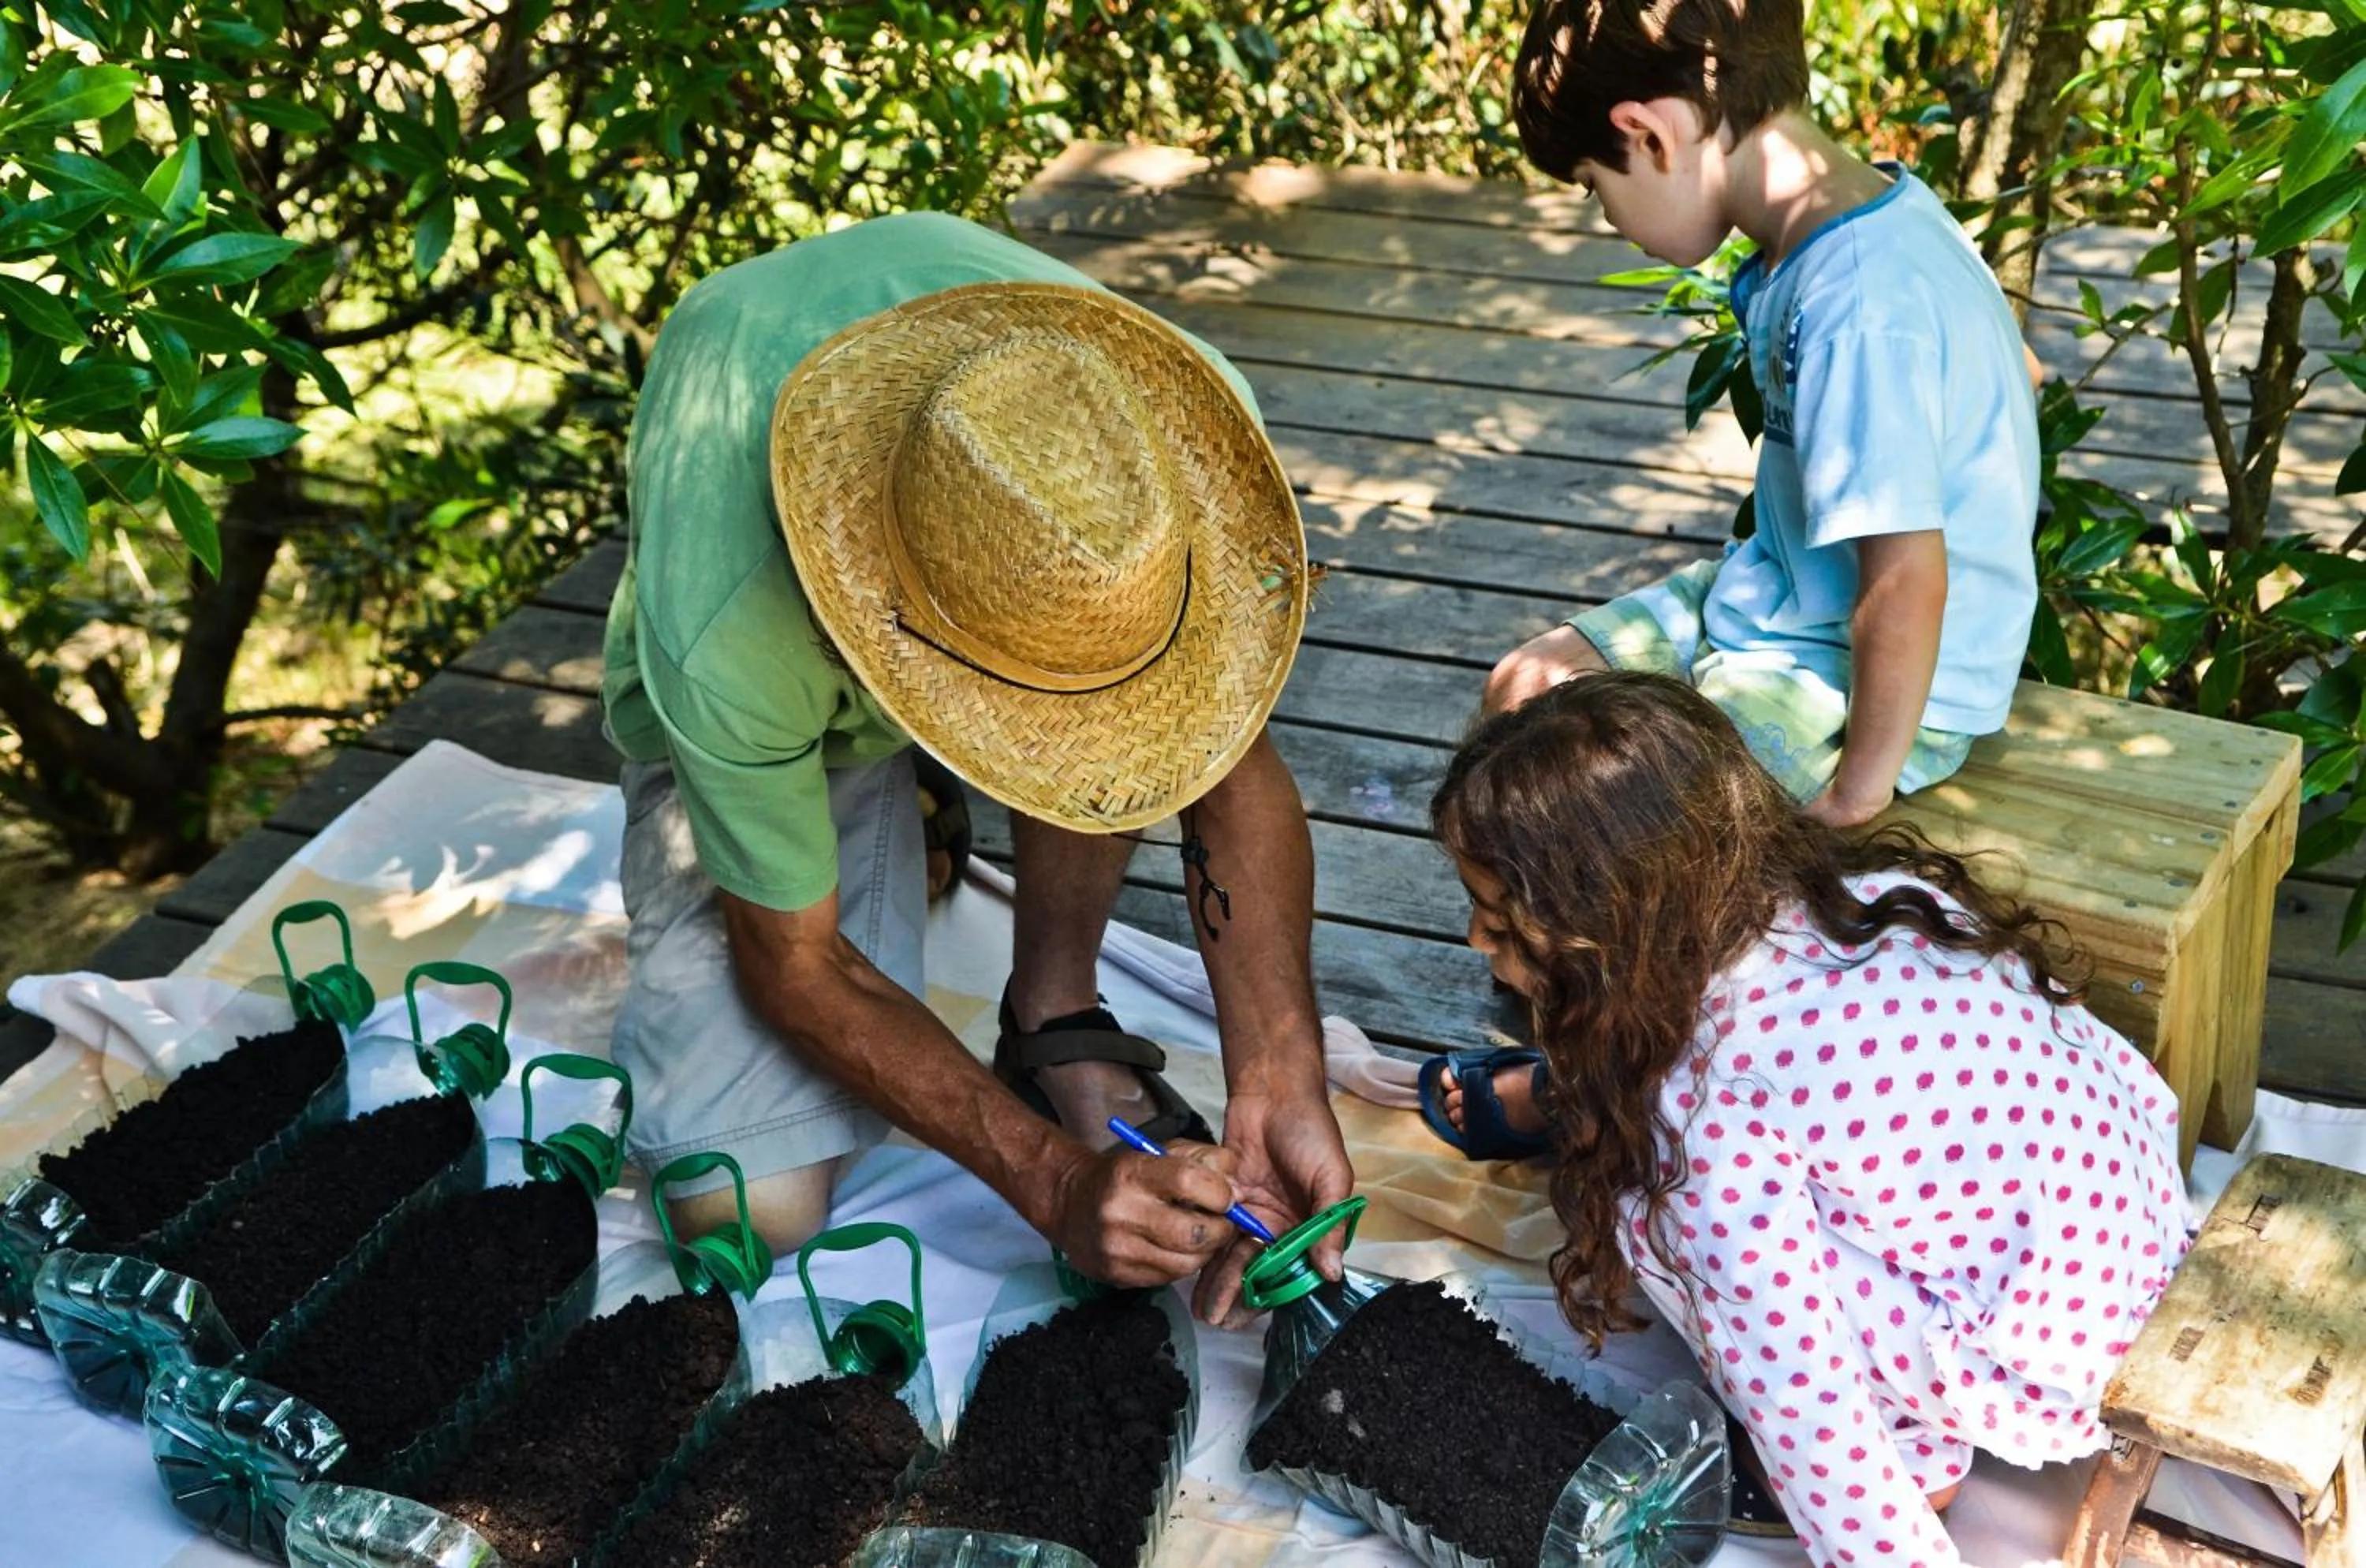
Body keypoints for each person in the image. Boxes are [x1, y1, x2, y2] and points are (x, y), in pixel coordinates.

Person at [601, 210, 1352, 1323]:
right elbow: (795, 963)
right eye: (1011, 714)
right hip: (783, 633)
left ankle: (1051, 1017)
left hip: (972, 537)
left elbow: (1228, 767)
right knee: (744, 1210)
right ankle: (876, 776)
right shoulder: (731, 633)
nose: (1054, 756)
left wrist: (1282, 1077)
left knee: (1117, 720)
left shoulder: (1178, 450)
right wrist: (1053, 1184)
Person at [1428, 672, 2189, 1568]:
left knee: (1661, 1208)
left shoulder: (1707, 1106)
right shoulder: (1878, 898)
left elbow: (1799, 1385)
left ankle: (1921, 1456)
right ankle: (1569, 1093)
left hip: (2044, 1359)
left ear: (1613, 935)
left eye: (1502, 927)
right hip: (2134, 1233)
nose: (1478, 943)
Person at [1485, 0, 2040, 830]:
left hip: (1867, 676)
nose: (1609, 220)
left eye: (1598, 190)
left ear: (1651, 134)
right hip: (1779, 593)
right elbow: (2021, 375)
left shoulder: (1857, 301)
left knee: (1611, 814)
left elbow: (1907, 579)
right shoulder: (1849, 223)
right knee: (1523, 693)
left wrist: (1856, 793)